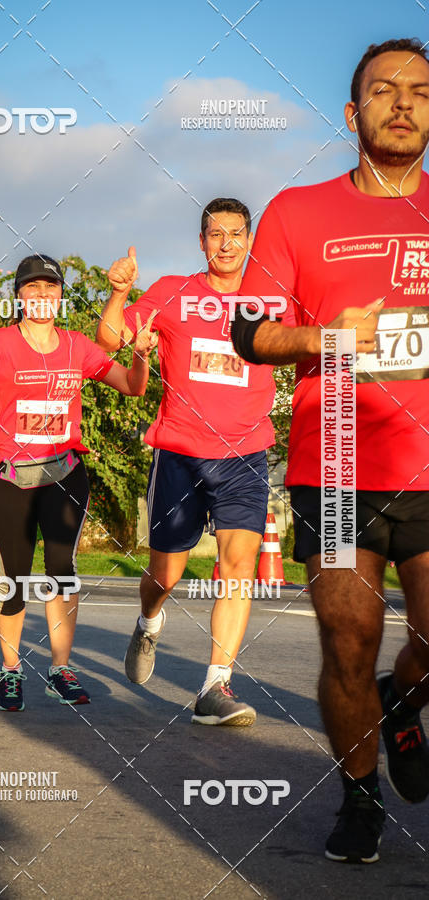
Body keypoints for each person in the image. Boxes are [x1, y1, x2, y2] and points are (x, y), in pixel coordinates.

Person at [233, 38, 429, 863]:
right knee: (346, 639)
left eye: (420, 90)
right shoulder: (297, 210)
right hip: (339, 462)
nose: (404, 103)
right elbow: (247, 331)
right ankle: (359, 800)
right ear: (353, 114)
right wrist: (323, 335)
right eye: (383, 90)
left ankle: (402, 698)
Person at [0, 254, 157, 711]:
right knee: (12, 580)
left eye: (51, 288)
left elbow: (133, 387)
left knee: (62, 573)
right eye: (32, 289)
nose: (42, 296)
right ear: (18, 297)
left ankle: (59, 671)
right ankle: (11, 671)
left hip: (64, 475)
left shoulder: (78, 346)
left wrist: (139, 356)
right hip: (11, 480)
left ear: (61, 295)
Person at [97, 199, 276, 725]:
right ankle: (149, 621)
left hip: (246, 453)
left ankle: (215, 688)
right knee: (166, 574)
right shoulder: (173, 292)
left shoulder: (273, 300)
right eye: (215, 234)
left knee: (238, 566)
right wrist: (119, 294)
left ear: (250, 240)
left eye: (236, 234)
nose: (226, 243)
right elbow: (110, 339)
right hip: (179, 451)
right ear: (201, 242)